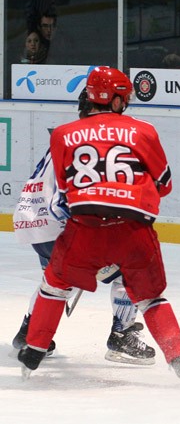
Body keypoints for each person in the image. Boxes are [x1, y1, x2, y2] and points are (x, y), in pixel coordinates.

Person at [17, 66, 180, 381]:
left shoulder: (63, 134)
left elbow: (66, 189)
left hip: (64, 226)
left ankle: (31, 349)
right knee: (145, 292)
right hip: (128, 229)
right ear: (116, 100)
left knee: (54, 286)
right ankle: (170, 355)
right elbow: (164, 184)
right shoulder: (142, 130)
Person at [12, 88, 156, 366]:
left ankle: (29, 334)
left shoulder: (72, 134)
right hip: (57, 224)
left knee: (56, 282)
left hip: (34, 221)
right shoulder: (94, 140)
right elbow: (65, 199)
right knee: (130, 269)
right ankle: (122, 336)